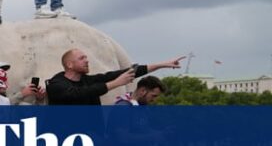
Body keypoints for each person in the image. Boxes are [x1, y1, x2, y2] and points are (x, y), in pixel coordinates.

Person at [45, 49, 186, 105]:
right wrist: (116, 83)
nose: (87, 60)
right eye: (82, 58)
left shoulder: (87, 80)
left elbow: (120, 74)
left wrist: (161, 65)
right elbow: (79, 94)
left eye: (86, 57)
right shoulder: (56, 84)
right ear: (69, 64)